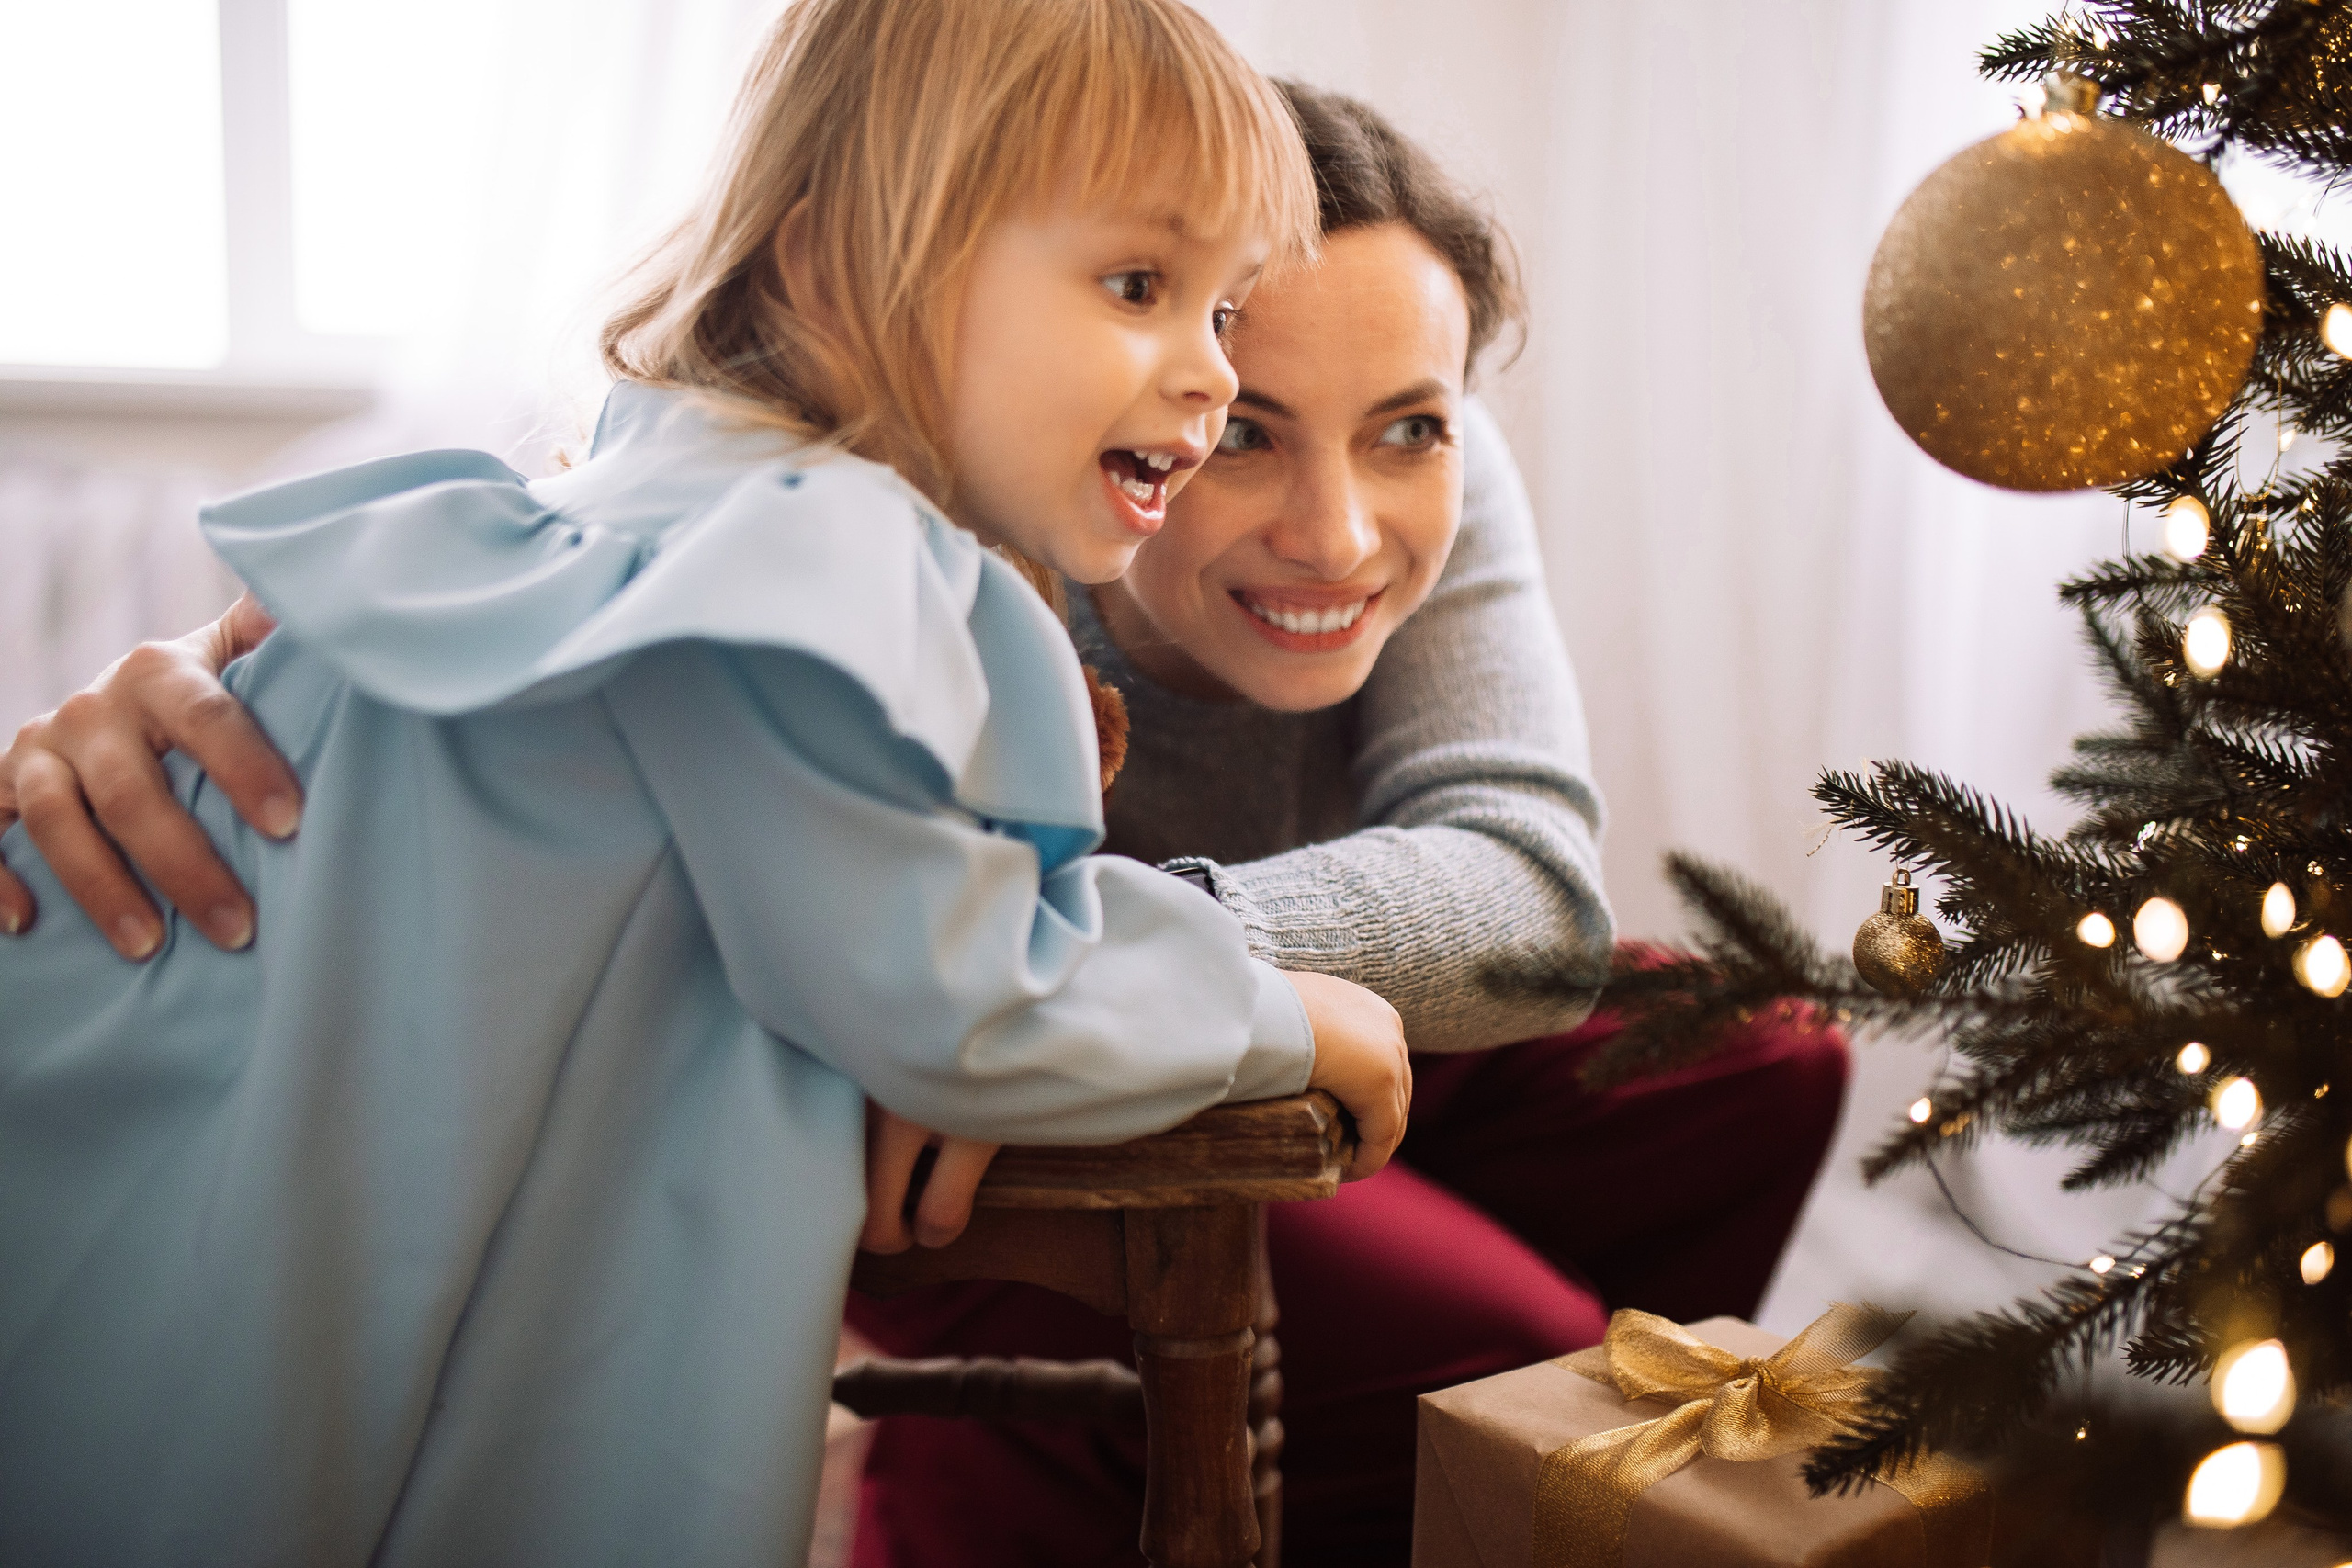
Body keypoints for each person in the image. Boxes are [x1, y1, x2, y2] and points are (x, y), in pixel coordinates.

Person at [3, 83, 1849, 1568]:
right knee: (1516, 1363)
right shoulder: (907, 518)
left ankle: (1174, 1469)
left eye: (1407, 428)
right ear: (897, 290)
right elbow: (924, 962)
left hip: (1084, 987)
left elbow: (1518, 886)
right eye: (1168, 321)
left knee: (1749, 1059)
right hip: (952, 1070)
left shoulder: (1257, 458)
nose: (1335, 528)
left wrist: (1155, 945)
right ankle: (1102, 1467)